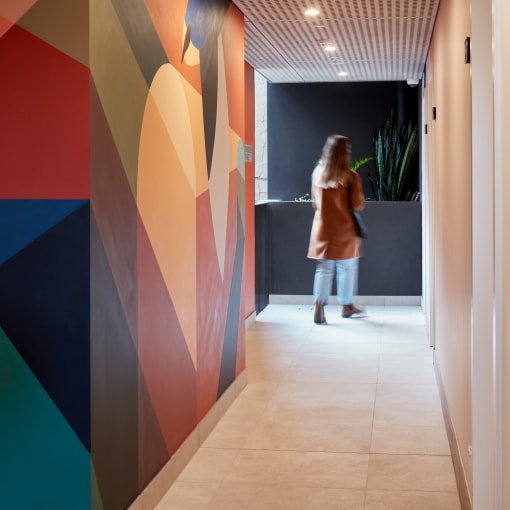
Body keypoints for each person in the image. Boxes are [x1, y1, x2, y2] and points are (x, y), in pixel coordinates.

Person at [307, 134, 366, 324]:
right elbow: (358, 204)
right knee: (347, 268)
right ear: (344, 153)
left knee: (324, 269)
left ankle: (319, 308)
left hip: (322, 229)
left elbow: (315, 203)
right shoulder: (350, 176)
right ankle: (346, 305)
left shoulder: (317, 173)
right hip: (345, 231)